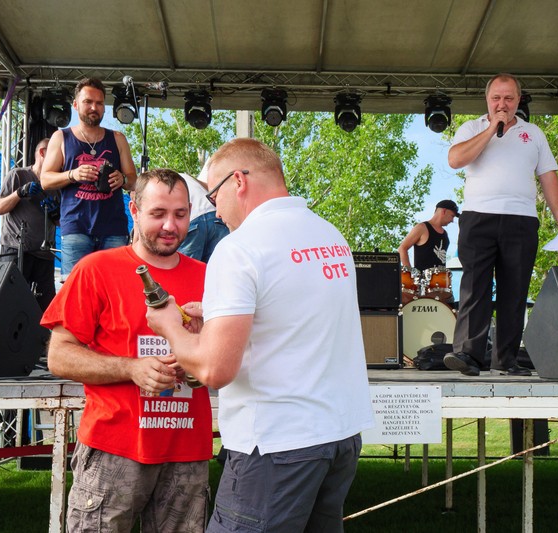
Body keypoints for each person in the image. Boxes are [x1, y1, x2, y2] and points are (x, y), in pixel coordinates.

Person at [146, 138, 375, 532]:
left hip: (275, 444)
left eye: (213, 196)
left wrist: (168, 325)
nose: (215, 212)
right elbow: (293, 316)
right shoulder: (329, 236)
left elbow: (215, 371)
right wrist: (219, 318)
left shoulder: (239, 248)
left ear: (238, 181)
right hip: (339, 435)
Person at [41, 169, 213, 531]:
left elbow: (228, 359)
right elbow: (59, 355)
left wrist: (202, 347)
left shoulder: (210, 277)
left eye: (181, 214)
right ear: (133, 210)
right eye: (158, 214)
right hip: (114, 449)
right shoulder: (96, 269)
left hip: (187, 450)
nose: (170, 225)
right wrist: (131, 368)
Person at [443, 73, 558, 377]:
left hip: (521, 218)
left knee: (515, 289)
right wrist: (492, 129)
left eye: (509, 98)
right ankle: (468, 354)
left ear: (518, 100)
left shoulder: (534, 133)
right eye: (496, 98)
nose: (502, 104)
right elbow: (455, 159)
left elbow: (548, 175)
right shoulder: (471, 127)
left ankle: (506, 359)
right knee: (475, 286)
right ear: (487, 100)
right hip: (478, 216)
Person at [40, 77, 137, 280]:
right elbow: (45, 180)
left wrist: (122, 179)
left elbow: (133, 180)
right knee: (75, 288)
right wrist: (72, 174)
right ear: (75, 105)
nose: (94, 107)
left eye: (99, 103)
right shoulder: (61, 137)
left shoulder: (118, 138)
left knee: (113, 288)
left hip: (113, 228)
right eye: (88, 102)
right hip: (76, 227)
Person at [0, 138, 60, 310]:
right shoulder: (18, 175)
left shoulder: (56, 184)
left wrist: (55, 213)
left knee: (45, 307)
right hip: (16, 249)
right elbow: (0, 208)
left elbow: (62, 222)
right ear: (42, 153)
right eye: (56, 153)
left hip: (44, 254)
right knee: (11, 303)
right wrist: (20, 192)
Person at [178, 170, 229, 262]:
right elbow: (207, 187)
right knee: (220, 263)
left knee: (188, 266)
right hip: (213, 214)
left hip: (193, 218)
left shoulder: (164, 182)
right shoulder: (184, 177)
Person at [397, 199, 458, 271]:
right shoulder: (422, 228)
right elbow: (402, 248)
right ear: (444, 211)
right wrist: (410, 273)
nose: (452, 220)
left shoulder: (445, 233)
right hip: (422, 277)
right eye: (452, 216)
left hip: (442, 277)